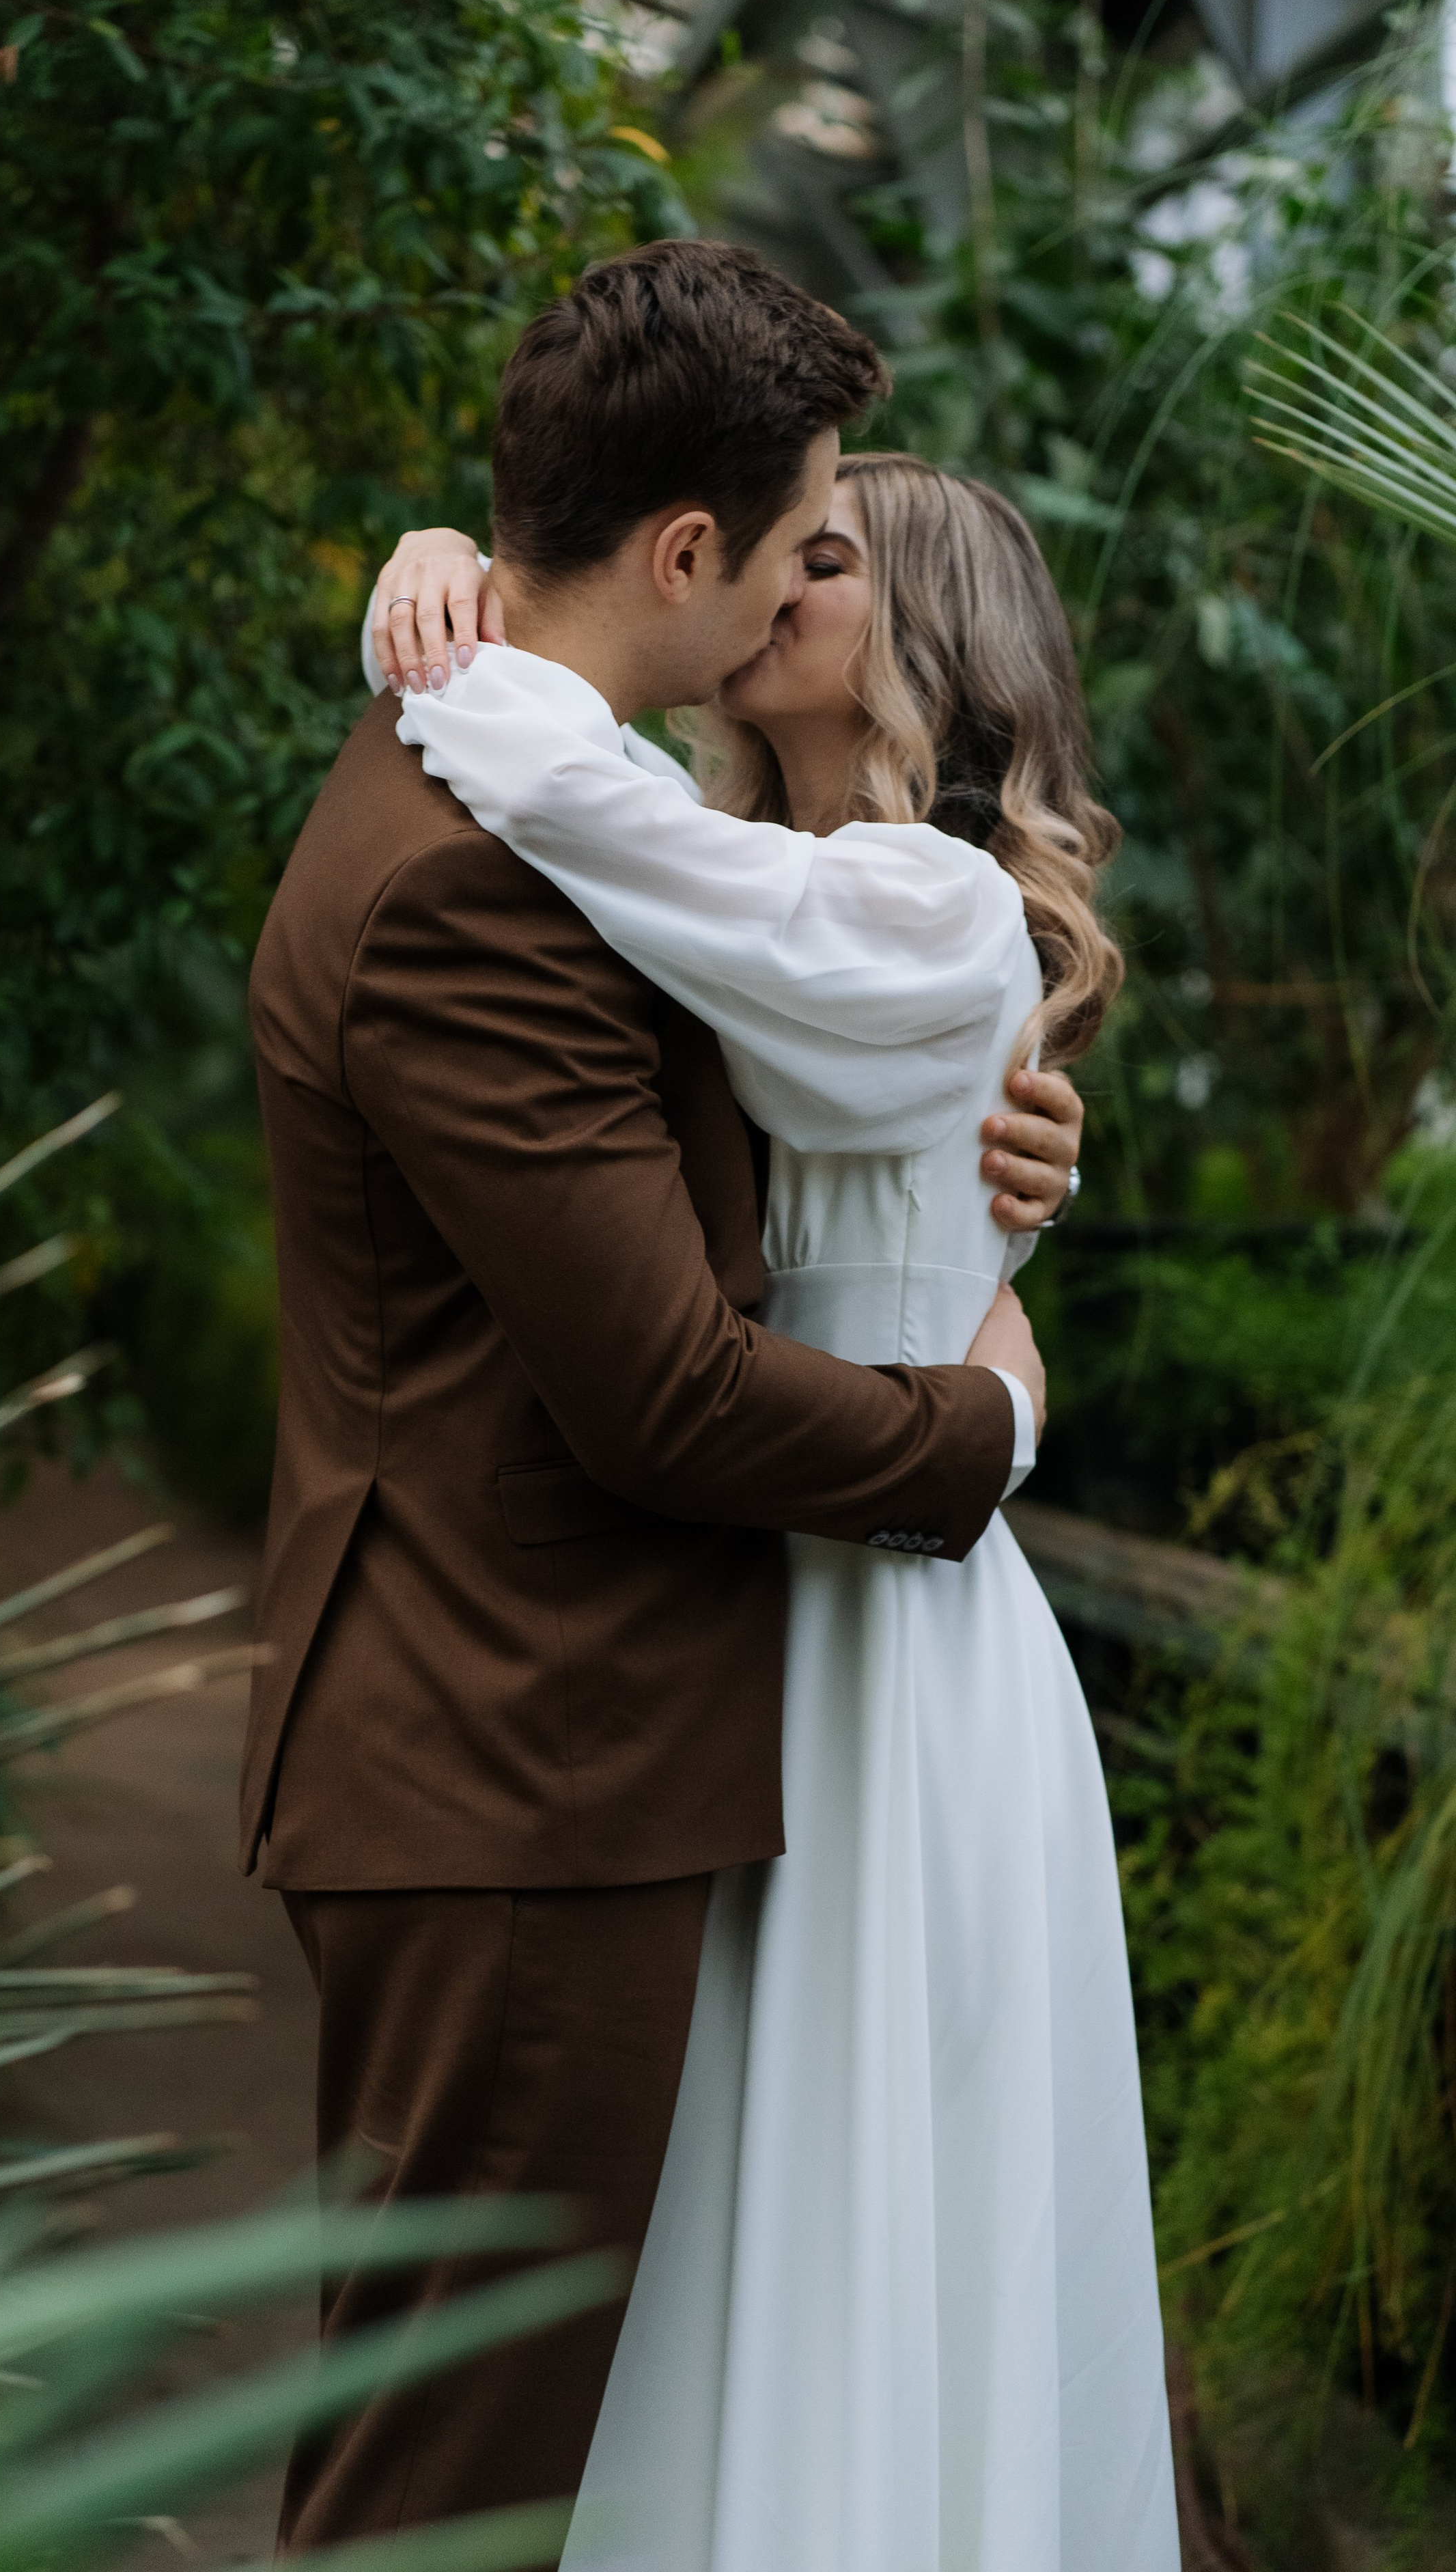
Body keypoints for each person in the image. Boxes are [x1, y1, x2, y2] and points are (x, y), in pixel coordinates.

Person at [245, 238, 1081, 2563]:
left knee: (566, 2424)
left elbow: (779, 968)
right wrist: (984, 1427)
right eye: (803, 534)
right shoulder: (514, 873)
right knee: (458, 2478)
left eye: (855, 557)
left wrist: (470, 622)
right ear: (698, 559)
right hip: (537, 1755)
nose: (821, 570)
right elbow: (670, 1399)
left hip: (683, 1723)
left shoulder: (655, 865)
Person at [369, 452, 1179, 2567]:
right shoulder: (739, 868)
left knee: (861, 2173)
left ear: (920, 637)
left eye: (823, 559)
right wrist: (470, 567)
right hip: (742, 1591)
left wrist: (483, 641)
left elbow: (599, 820)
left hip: (892, 1628)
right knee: (732, 2186)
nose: (763, 584)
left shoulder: (920, 905)